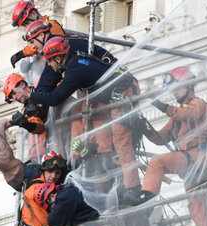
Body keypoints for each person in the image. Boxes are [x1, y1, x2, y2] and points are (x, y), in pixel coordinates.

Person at [15, 36, 142, 202]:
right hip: (115, 94)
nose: (50, 67)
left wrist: (29, 94)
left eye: (51, 62)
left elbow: (55, 98)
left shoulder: (75, 71)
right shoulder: (75, 62)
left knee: (121, 139)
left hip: (124, 91)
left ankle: (133, 188)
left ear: (59, 58)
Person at [130, 66, 207, 226]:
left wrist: (163, 107)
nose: (174, 92)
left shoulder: (198, 104)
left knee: (157, 162)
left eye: (176, 88)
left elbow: (189, 115)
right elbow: (161, 139)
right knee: (197, 210)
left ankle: (147, 201)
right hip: (191, 164)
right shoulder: (177, 116)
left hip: (198, 158)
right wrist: (144, 128)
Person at [4, 73, 49, 162]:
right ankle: (34, 159)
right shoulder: (26, 111)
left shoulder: (40, 86)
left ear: (22, 85)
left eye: (14, 92)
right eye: (12, 97)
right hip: (50, 138)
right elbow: (39, 128)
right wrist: (25, 124)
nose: (14, 97)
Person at [10, 1, 65, 68]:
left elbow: (43, 44)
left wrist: (22, 53)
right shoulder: (35, 33)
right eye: (24, 25)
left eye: (27, 23)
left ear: (34, 14)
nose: (27, 27)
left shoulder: (51, 25)